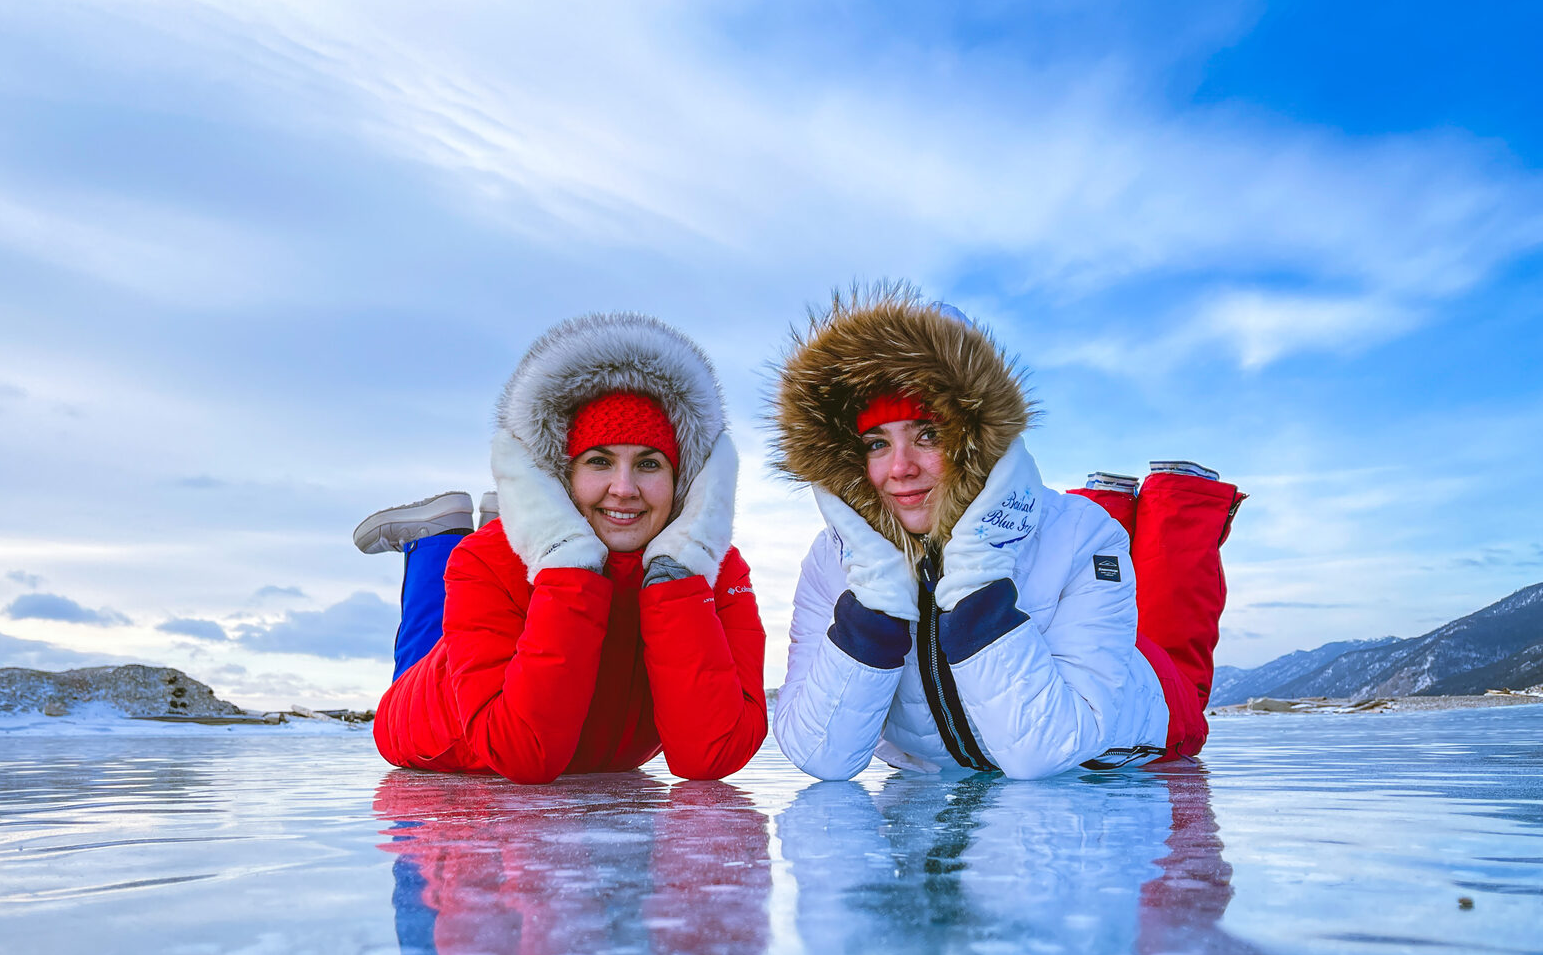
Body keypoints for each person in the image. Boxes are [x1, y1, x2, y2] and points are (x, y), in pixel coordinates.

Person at [769, 286, 1243, 781]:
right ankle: (1113, 497)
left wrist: (976, 571)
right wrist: (872, 600)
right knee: (1066, 542)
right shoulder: (833, 560)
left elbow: (1045, 752)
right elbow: (821, 756)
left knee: (1172, 643)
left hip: (1150, 711)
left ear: (977, 439)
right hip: (1061, 630)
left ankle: (1183, 498)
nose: (900, 469)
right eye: (875, 442)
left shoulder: (1085, 537)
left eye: (929, 434)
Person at [354, 312, 768, 784]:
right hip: (429, 720)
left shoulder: (713, 567)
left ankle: (495, 520)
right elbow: (524, 754)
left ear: (686, 479)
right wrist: (568, 569)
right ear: (561, 476)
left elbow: (710, 757)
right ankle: (435, 542)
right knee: (427, 646)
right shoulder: (486, 561)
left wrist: (679, 579)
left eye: (650, 463)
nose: (624, 488)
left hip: (578, 721)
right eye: (599, 461)